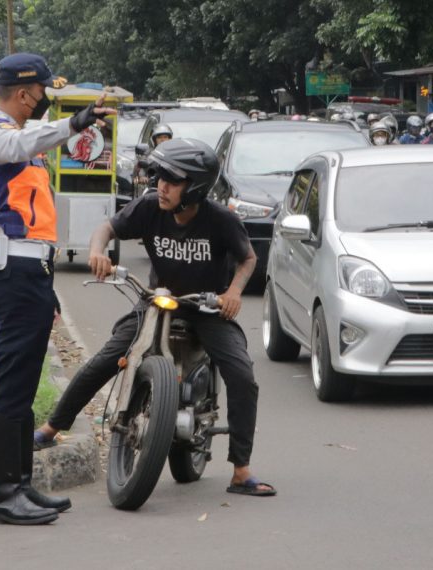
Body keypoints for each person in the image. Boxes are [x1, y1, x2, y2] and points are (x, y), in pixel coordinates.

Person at [34, 138, 276, 499]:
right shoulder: (149, 207)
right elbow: (108, 228)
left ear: (194, 187)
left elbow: (248, 259)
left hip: (205, 308)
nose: (161, 186)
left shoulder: (221, 219)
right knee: (106, 359)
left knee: (243, 376)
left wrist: (234, 292)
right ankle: (52, 428)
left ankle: (241, 470)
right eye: (160, 177)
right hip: (156, 301)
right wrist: (98, 251)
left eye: (172, 181)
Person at [0, 52, 115, 525]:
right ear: (22, 93)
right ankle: (2, 494)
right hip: (12, 271)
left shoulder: (23, 143)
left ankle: (22, 484)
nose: (42, 104)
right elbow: (35, 136)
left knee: (26, 382)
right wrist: (75, 122)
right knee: (11, 382)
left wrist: (48, 284)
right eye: (40, 95)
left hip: (31, 272)